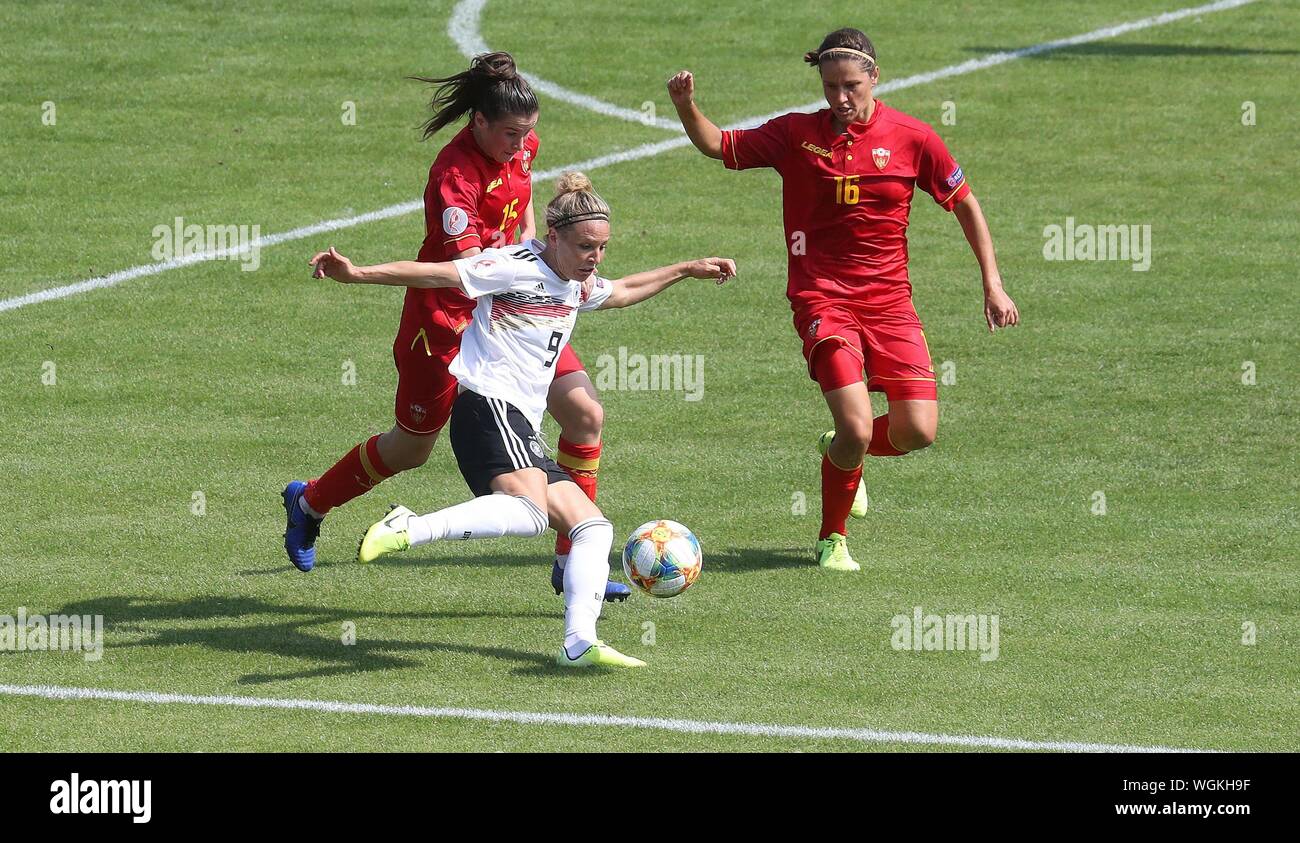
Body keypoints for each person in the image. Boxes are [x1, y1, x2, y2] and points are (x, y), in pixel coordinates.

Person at [308, 173, 736, 667]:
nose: (594, 258)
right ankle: (412, 525)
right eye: (584, 247)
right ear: (553, 236)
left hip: (519, 422)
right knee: (531, 515)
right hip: (487, 407)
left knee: (592, 528)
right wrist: (356, 273)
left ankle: (579, 643)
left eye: (601, 248)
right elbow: (435, 273)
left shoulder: (576, 282)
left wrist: (686, 268)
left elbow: (621, 291)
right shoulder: (513, 266)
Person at [667, 27, 1019, 572]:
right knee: (858, 425)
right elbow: (719, 146)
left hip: (890, 303)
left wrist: (991, 283)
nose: (840, 98)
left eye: (851, 85)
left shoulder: (915, 138)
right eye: (830, 87)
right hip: (822, 298)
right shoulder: (795, 134)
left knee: (917, 431)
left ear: (874, 77)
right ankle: (832, 536)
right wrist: (688, 106)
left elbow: (967, 204)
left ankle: (842, 450)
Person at [283, 52, 623, 600]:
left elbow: (526, 213)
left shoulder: (521, 147)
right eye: (511, 134)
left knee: (585, 412)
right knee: (412, 449)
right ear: (479, 123)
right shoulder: (453, 177)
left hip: (515, 314)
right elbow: (465, 272)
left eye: (528, 134)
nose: (522, 145)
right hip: (446, 321)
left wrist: (546, 261)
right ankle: (309, 502)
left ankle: (571, 560)